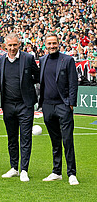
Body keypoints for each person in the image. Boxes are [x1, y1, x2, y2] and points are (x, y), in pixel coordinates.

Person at [0, 33, 39, 182]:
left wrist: (27, 85)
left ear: (19, 45)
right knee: (12, 138)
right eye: (10, 45)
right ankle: (14, 168)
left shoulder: (28, 58)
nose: (12, 48)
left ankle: (24, 169)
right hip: (8, 105)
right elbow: (1, 81)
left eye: (15, 45)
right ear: (5, 46)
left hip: (25, 105)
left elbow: (37, 77)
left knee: (26, 138)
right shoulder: (1, 59)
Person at [39, 33, 79, 185]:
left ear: (58, 43)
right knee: (55, 141)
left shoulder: (67, 60)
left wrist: (71, 103)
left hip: (63, 105)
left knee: (67, 140)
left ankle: (71, 173)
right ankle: (57, 172)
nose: (52, 46)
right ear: (45, 44)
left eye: (54, 43)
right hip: (48, 106)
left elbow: (73, 83)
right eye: (49, 43)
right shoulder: (43, 60)